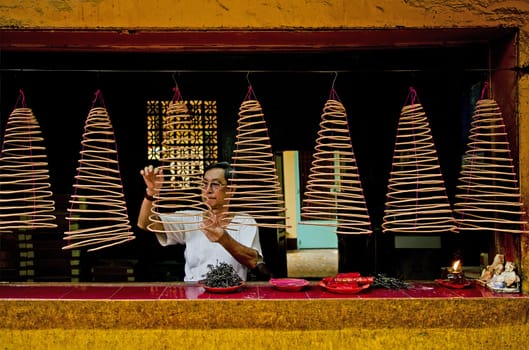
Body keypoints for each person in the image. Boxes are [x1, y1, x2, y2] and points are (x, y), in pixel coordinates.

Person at [137, 161, 268, 282]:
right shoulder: (190, 219)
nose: (208, 190)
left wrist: (223, 239)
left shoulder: (245, 221)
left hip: (232, 293)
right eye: (204, 184)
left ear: (231, 190)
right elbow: (145, 224)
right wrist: (151, 193)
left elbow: (253, 260)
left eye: (215, 184)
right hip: (193, 294)